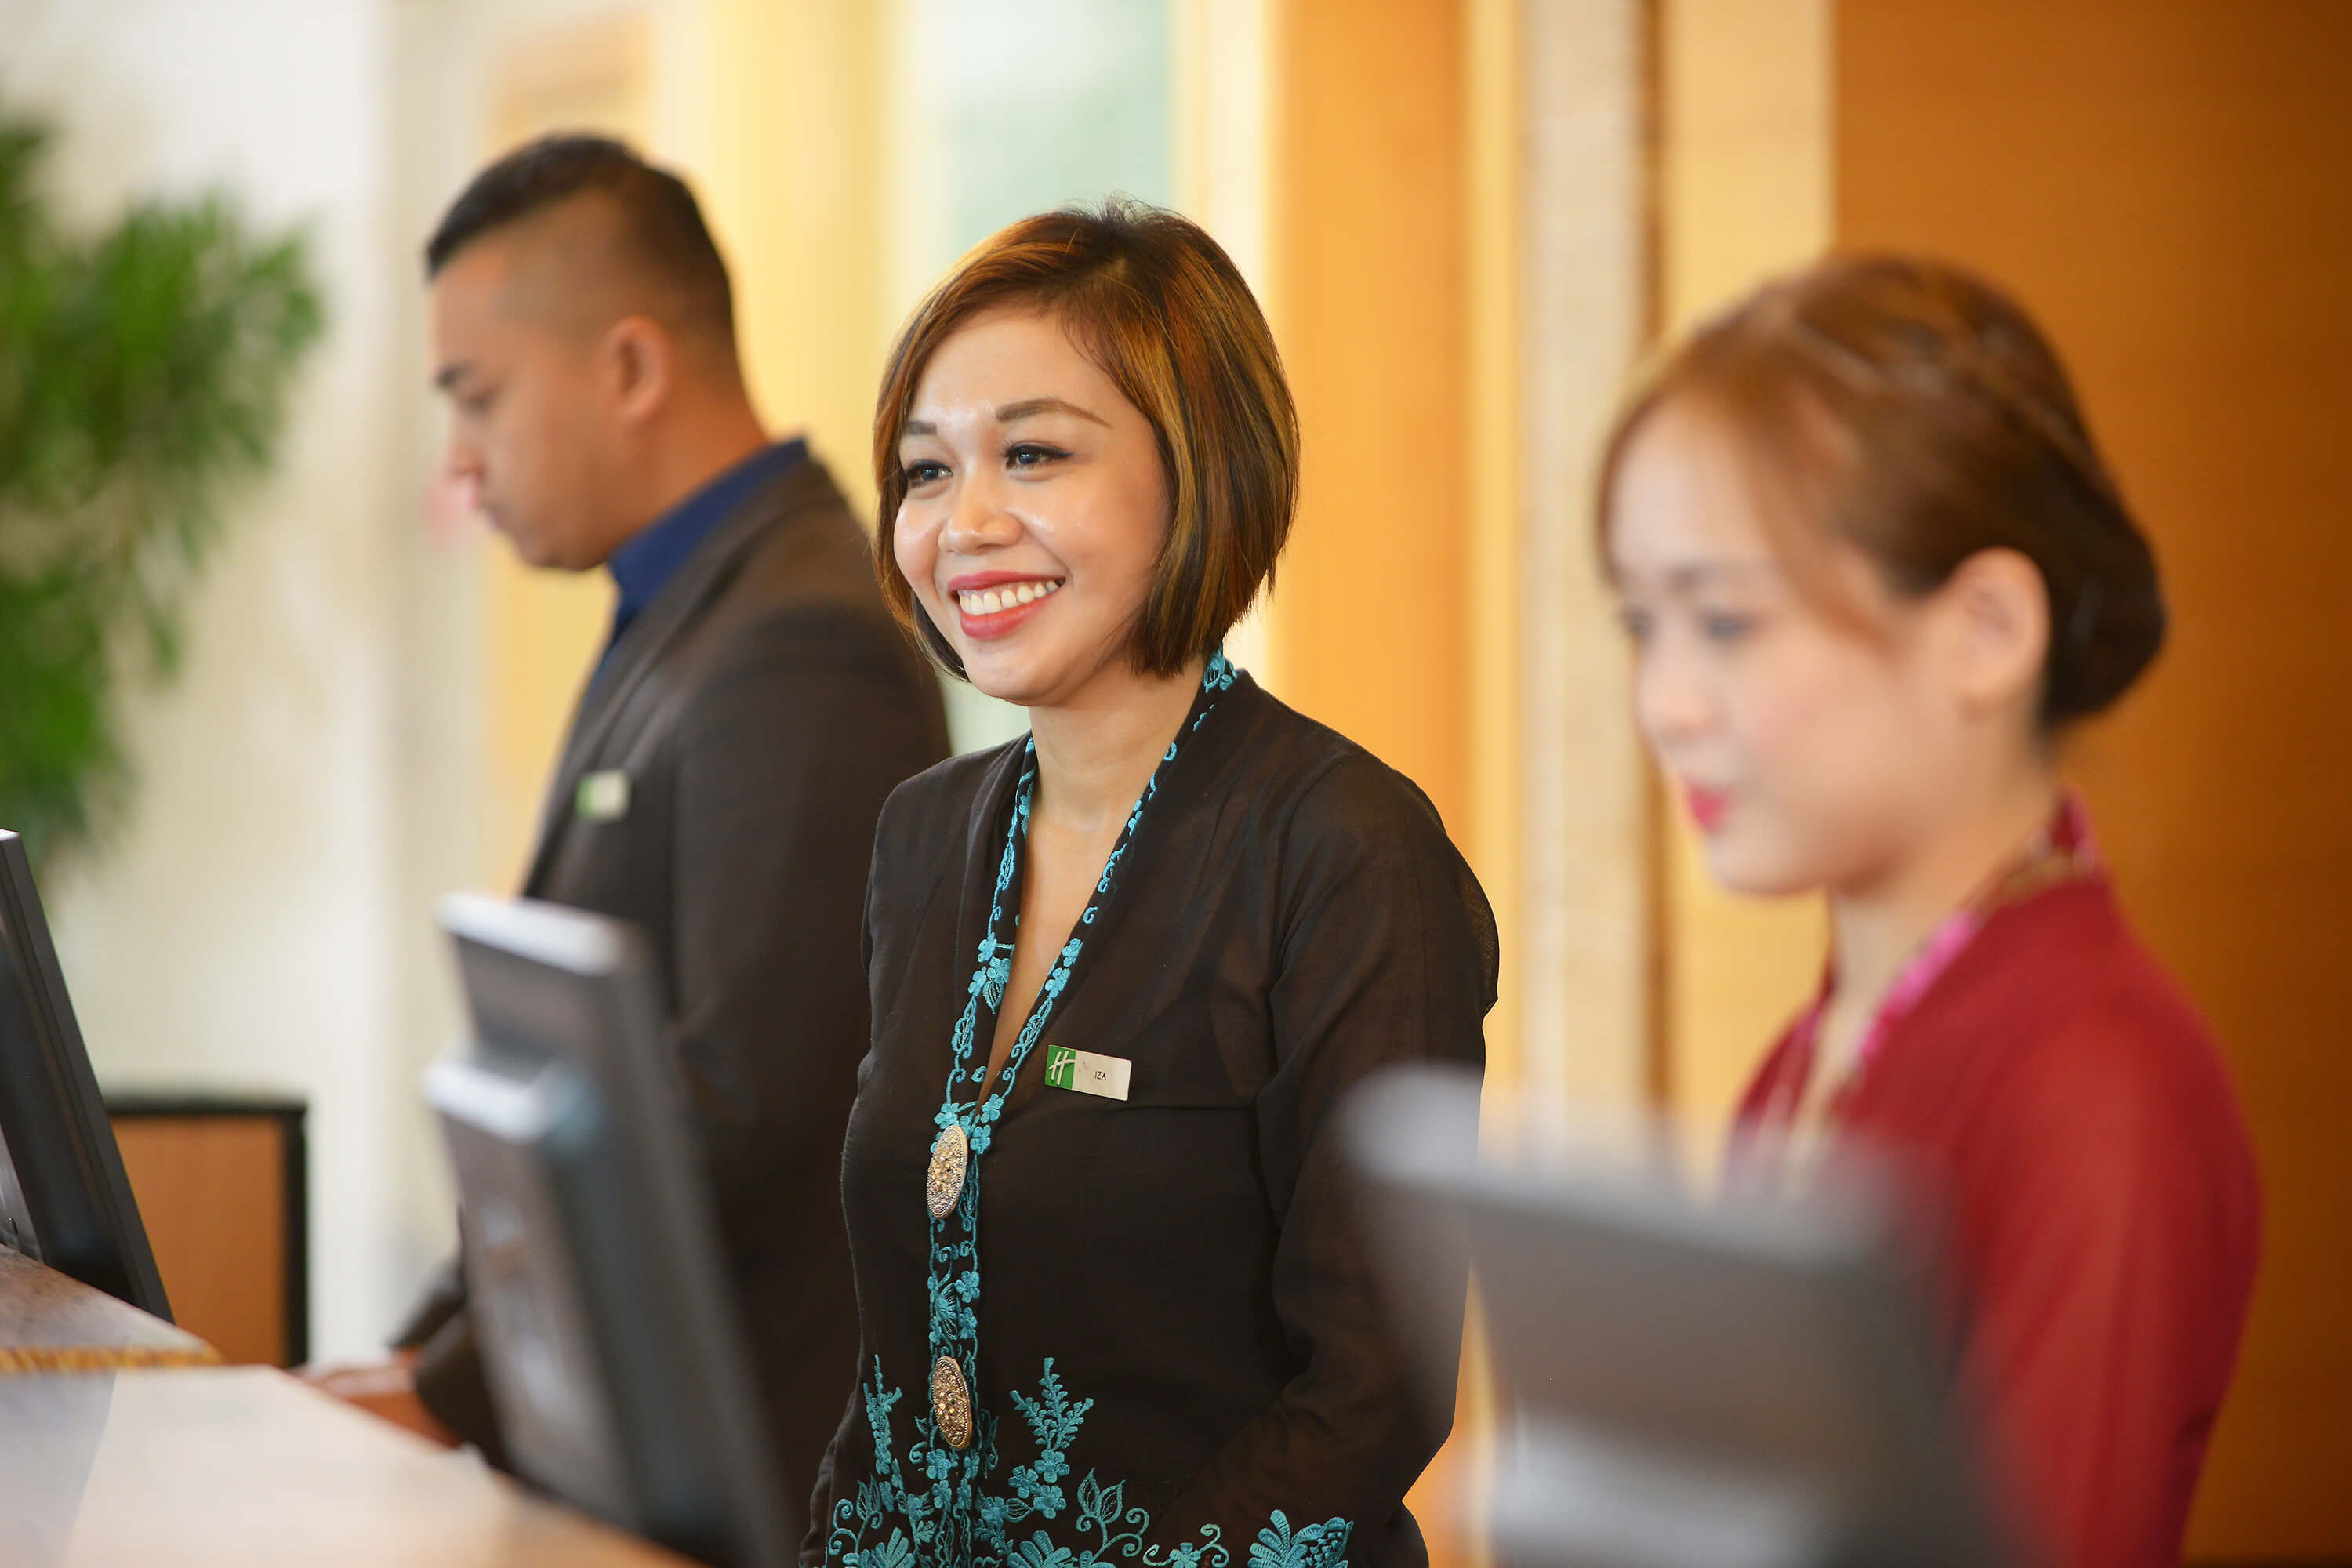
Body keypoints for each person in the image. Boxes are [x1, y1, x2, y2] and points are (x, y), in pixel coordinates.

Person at [804, 201, 1497, 1568]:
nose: (964, 524)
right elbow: (894, 1360)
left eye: (1034, 454)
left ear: (1201, 469)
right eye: (926, 471)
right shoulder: (922, 835)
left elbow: (1375, 1391)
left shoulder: (1346, 851)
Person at [1599, 252, 2260, 1568]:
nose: (1663, 702)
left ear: (1985, 631)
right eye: (1641, 624)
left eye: (1724, 623)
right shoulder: (1818, 1050)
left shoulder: (2094, 1087)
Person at [320, 135, 949, 1506]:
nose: (461, 461)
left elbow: (734, 1113)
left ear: (630, 368)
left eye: (478, 397)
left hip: (741, 1483)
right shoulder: (689, 606)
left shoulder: (801, 641)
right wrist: (414, 1360)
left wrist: (445, 1397)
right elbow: (563, 1106)